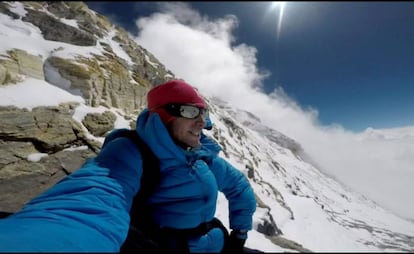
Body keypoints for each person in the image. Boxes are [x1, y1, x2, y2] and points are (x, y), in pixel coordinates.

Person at [0, 79, 257, 253]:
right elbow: (90, 202)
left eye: (204, 114)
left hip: (216, 241)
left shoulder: (202, 157)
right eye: (191, 112)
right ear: (163, 116)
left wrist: (240, 233)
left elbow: (238, 186)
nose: (202, 122)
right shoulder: (131, 152)